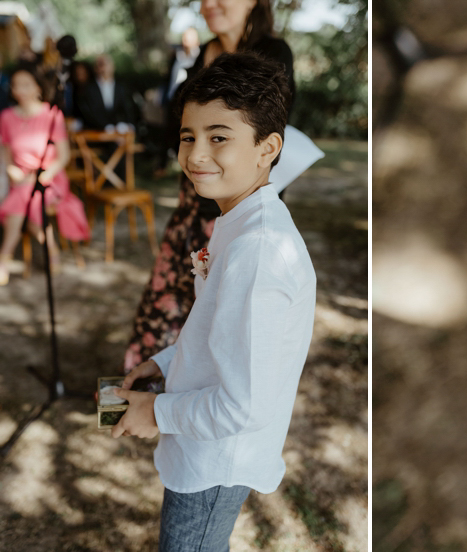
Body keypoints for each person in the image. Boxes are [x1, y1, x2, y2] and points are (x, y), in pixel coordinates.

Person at [110, 52, 315, 551]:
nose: (197, 155)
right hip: (203, 445)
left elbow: (243, 408)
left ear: (268, 148)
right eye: (188, 136)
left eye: (219, 137)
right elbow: (214, 334)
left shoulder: (258, 250)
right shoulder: (238, 219)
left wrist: (155, 412)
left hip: (215, 461)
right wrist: (161, 363)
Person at [123, 0, 295, 372]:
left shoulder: (274, 53)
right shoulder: (202, 52)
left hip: (234, 199)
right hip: (194, 201)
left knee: (221, 308)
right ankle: (153, 378)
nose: (209, 4)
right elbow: (174, 127)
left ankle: (194, 388)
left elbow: (267, 130)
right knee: (170, 295)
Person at [0, 63, 88, 285]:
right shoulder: (7, 117)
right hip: (20, 179)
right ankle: (51, 249)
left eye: (26, 84)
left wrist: (42, 176)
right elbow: (5, 153)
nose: (20, 89)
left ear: (38, 87)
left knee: (25, 198)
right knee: (25, 198)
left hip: (50, 178)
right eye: (16, 85)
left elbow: (63, 156)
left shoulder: (51, 114)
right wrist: (13, 171)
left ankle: (3, 257)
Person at [75, 53, 138, 132]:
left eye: (104, 64)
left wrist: (129, 126)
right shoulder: (87, 89)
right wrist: (107, 127)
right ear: (95, 68)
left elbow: (128, 109)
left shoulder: (122, 88)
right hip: (96, 134)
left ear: (113, 66)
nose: (102, 68)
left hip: (121, 134)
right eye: (99, 65)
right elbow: (88, 113)